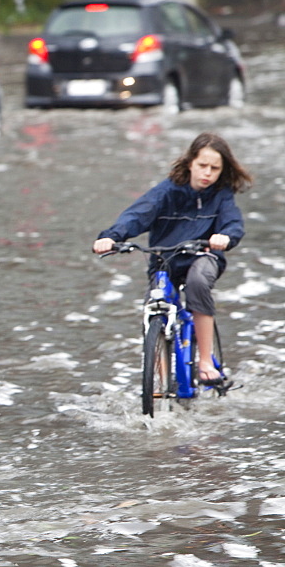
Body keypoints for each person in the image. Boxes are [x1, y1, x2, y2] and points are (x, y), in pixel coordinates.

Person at [92, 132, 252, 384]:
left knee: (198, 282)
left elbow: (233, 222)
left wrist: (225, 236)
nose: (207, 173)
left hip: (204, 255)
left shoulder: (222, 195)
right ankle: (160, 378)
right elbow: (137, 216)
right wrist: (111, 237)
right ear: (190, 163)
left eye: (215, 168)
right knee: (154, 304)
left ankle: (206, 360)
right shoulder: (166, 191)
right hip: (164, 259)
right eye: (202, 165)